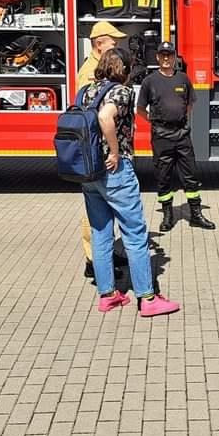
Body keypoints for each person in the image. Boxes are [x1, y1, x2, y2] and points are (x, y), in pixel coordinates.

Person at [82, 47, 180, 318]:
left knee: (101, 234)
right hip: (115, 171)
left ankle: (108, 295)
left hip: (89, 172)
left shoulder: (88, 91)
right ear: (124, 69)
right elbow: (105, 117)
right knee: (135, 235)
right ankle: (147, 298)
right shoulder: (121, 91)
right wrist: (114, 151)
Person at [137, 41, 215, 232]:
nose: (166, 58)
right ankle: (168, 216)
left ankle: (196, 214)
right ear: (157, 57)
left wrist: (177, 119)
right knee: (163, 177)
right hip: (161, 136)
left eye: (169, 55)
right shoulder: (149, 81)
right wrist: (156, 122)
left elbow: (189, 104)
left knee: (191, 175)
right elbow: (140, 109)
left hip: (182, 135)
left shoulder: (183, 78)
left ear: (174, 57)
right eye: (162, 55)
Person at [77, 21, 128, 278]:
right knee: (94, 212)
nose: (116, 45)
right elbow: (93, 115)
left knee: (103, 207)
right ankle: (94, 261)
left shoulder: (97, 69)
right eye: (112, 41)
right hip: (95, 150)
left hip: (96, 148)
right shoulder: (90, 72)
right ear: (99, 44)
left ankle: (104, 254)